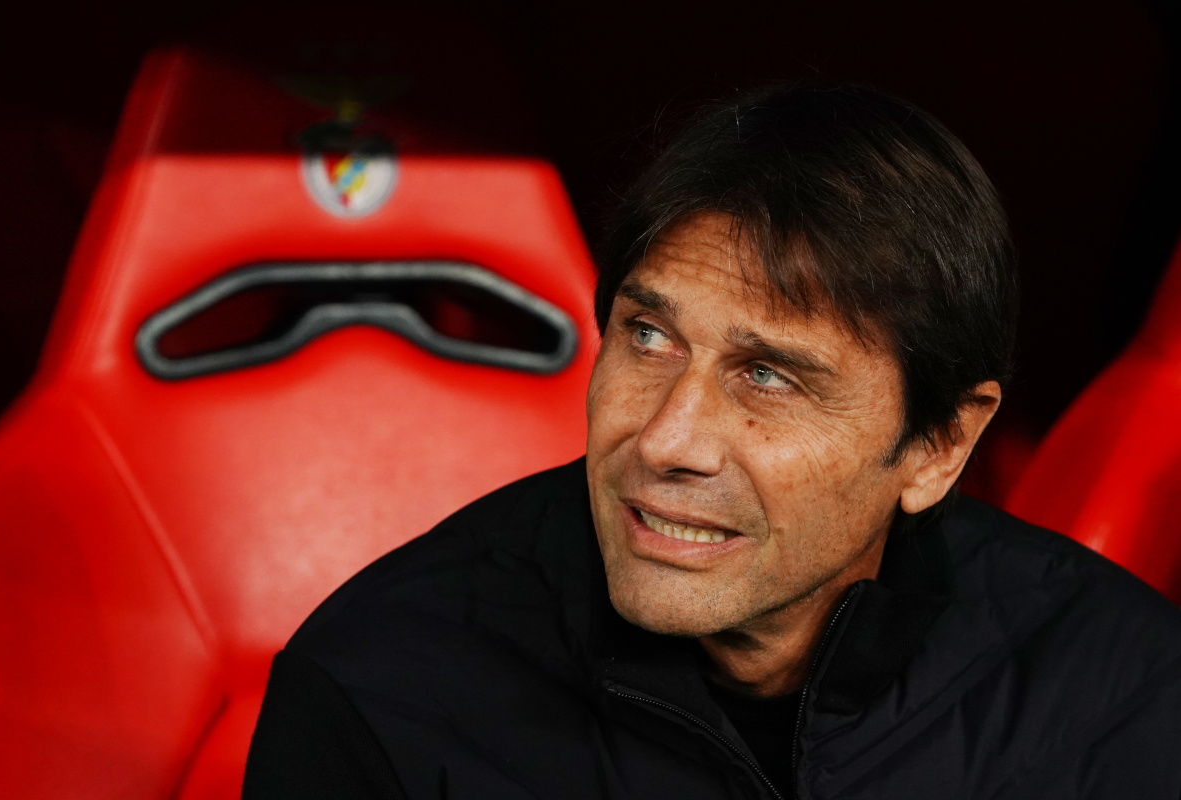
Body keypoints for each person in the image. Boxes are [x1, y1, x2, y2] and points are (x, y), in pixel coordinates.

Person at [241, 84, 1181, 800]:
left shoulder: (1122, 693)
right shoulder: (378, 690)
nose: (666, 440)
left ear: (939, 445)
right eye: (648, 338)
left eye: (768, 376)